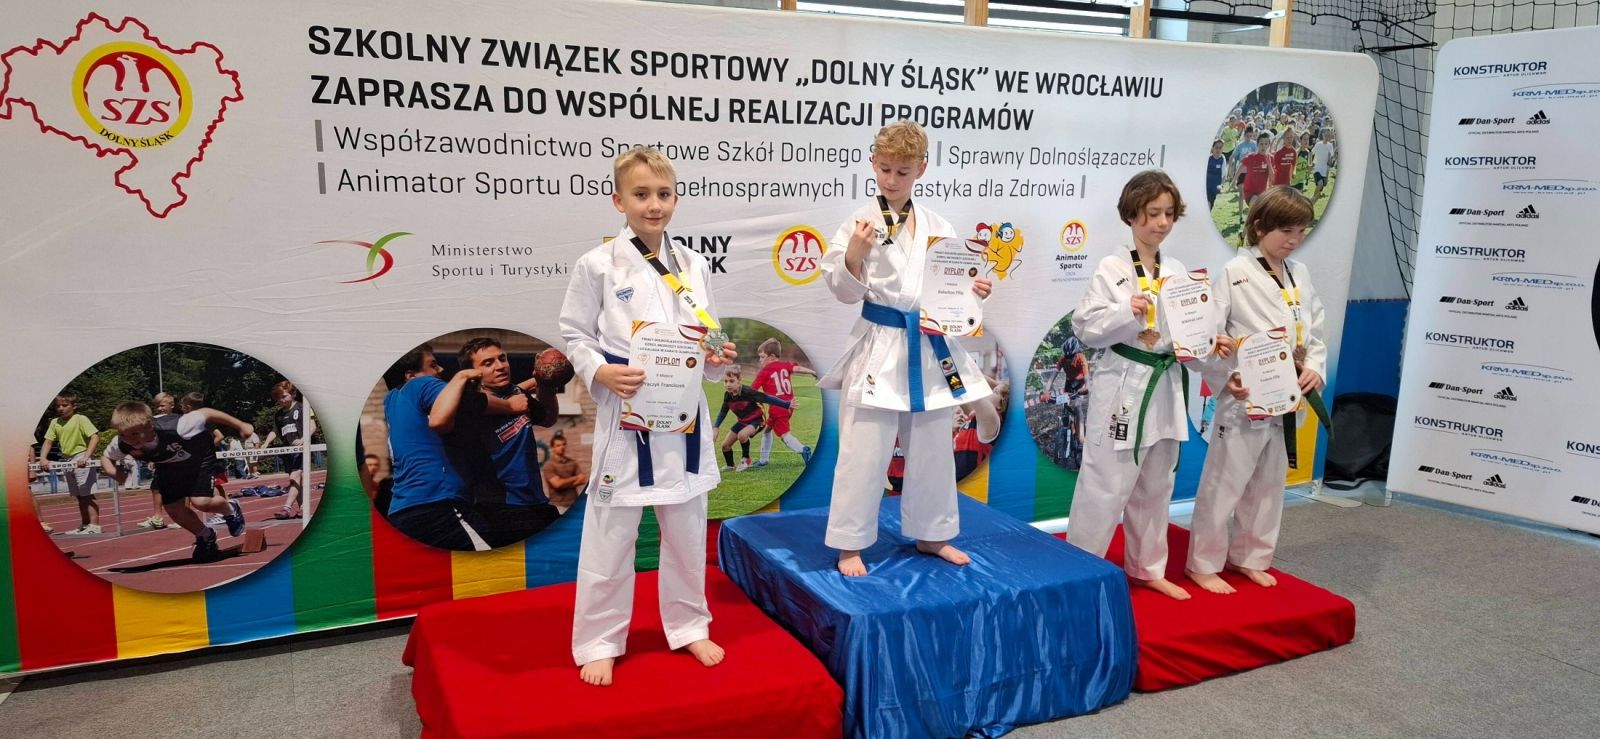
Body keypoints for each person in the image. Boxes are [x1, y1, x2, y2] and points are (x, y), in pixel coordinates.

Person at [559, 146, 735, 686]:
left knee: (686, 527)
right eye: (641, 195)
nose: (653, 205)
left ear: (675, 199)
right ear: (619, 201)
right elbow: (574, 333)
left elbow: (706, 332)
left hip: (682, 411)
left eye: (663, 194)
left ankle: (689, 625)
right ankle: (599, 639)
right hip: (629, 406)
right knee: (611, 532)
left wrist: (716, 359)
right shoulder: (597, 264)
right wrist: (600, 371)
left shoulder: (694, 264)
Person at [819, 120, 994, 577]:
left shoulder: (939, 225)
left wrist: (973, 291)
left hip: (929, 345)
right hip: (879, 344)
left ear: (922, 169)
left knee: (934, 447)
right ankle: (850, 542)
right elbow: (841, 290)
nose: (892, 180)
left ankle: (932, 533)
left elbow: (950, 287)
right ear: (873, 162)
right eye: (885, 169)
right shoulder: (858, 222)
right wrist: (854, 254)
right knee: (863, 451)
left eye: (903, 171)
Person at [1065, 170, 1233, 601]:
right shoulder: (1112, 268)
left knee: (1157, 483)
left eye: (1169, 214)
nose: (1161, 222)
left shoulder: (1178, 272)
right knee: (1105, 483)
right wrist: (1127, 309)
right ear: (1131, 214)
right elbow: (1085, 327)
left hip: (1166, 384)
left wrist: (1209, 344)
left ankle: (1147, 567)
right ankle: (1079, 573)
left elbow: (1189, 340)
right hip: (1124, 386)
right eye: (1153, 213)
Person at [1187, 186, 1328, 594]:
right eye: (1286, 230)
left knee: (1269, 483)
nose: (1294, 240)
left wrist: (1314, 367)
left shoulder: (1299, 273)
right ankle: (1203, 563)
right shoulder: (1235, 272)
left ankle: (1251, 557)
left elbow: (1315, 331)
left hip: (1287, 395)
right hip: (1245, 396)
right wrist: (1225, 375)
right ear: (1260, 226)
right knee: (1224, 483)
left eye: (1301, 231)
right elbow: (1210, 337)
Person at [429, 337, 565, 545]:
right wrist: (513, 401)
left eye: (502, 358)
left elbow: (547, 418)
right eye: (488, 363)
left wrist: (545, 384)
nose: (500, 366)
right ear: (473, 373)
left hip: (536, 502)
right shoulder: (467, 404)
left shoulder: (516, 393)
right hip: (497, 507)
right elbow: (441, 418)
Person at [100, 402, 251, 562]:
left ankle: (231, 509)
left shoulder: (179, 426)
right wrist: (112, 471)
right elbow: (106, 457)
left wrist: (241, 425)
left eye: (135, 434)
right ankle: (205, 536)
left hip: (199, 458)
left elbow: (207, 412)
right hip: (168, 466)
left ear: (150, 425)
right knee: (174, 509)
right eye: (123, 434)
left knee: (201, 502)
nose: (130, 440)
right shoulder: (121, 443)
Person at [39, 391, 102, 535]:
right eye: (58, 406)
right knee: (79, 495)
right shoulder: (55, 422)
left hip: (80, 457)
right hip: (67, 460)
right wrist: (43, 458)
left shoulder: (81, 419)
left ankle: (94, 525)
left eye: (64, 405)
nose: (60, 408)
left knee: (87, 494)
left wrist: (86, 457)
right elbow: (48, 441)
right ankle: (85, 524)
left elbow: (94, 437)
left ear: (74, 406)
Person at [752, 338, 815, 467]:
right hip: (789, 405)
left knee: (784, 435)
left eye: (762, 357)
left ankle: (803, 449)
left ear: (772, 357)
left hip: (778, 408)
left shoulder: (765, 371)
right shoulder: (785, 365)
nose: (760, 360)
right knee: (767, 430)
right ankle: (763, 460)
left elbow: (752, 390)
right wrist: (812, 372)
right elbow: (797, 368)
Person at [714, 366, 791, 472]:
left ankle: (746, 459)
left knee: (742, 435)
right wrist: (716, 427)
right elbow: (723, 412)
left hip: (757, 420)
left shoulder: (748, 392)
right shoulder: (728, 395)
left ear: (739, 380)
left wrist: (786, 404)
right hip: (743, 421)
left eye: (731, 381)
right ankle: (730, 465)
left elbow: (767, 398)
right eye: (725, 381)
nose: (728, 384)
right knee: (725, 446)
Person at [260, 381, 314, 520]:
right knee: (296, 481)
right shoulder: (278, 415)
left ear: (293, 394)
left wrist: (303, 439)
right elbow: (275, 431)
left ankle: (286, 508)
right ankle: (303, 508)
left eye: (284, 396)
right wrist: (266, 443)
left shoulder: (303, 408)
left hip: (301, 450)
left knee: (294, 478)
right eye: (278, 398)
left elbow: (312, 425)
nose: (281, 400)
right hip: (288, 451)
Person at [540, 433, 585, 513]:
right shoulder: (549, 465)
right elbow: (557, 484)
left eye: (564, 444)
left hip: (574, 503)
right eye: (558, 445)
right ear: (553, 448)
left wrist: (563, 483)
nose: (562, 447)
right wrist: (575, 478)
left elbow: (582, 479)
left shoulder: (572, 462)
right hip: (558, 506)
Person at [1311, 128, 1337, 203]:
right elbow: (1311, 153)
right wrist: (1311, 164)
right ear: (1322, 135)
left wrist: (1330, 157)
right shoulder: (1318, 144)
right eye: (1326, 135)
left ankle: (1312, 202)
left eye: (1329, 135)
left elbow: (1331, 160)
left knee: (1319, 191)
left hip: (1324, 171)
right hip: (1317, 169)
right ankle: (1312, 198)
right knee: (1320, 184)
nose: (1327, 137)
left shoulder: (1330, 146)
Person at [1205, 139, 1227, 209]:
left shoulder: (1222, 159)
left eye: (1220, 148)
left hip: (1216, 186)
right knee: (1207, 202)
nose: (1218, 150)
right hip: (1207, 185)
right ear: (1212, 148)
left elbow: (1224, 174)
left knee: (1212, 202)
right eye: (1216, 147)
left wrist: (1221, 185)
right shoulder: (1208, 158)